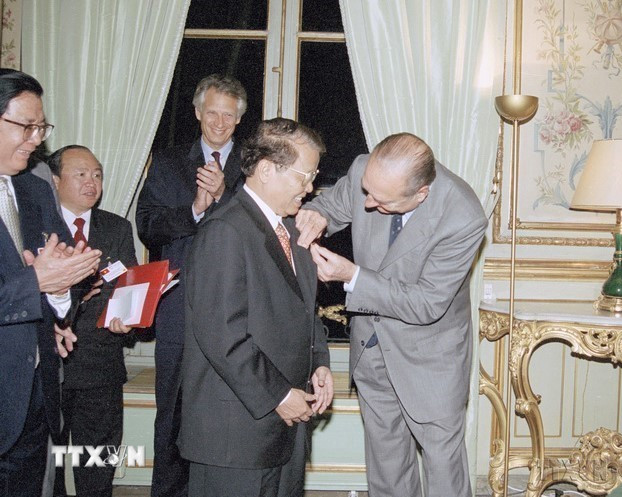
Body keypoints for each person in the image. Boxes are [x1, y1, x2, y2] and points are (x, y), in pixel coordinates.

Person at [296, 132, 488, 497]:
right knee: (387, 470)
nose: (367, 203)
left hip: (430, 358)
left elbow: (426, 303)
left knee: (444, 473)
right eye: (366, 191)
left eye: (380, 200)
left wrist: (351, 276)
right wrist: (316, 217)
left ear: (421, 194)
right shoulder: (364, 172)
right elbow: (331, 207)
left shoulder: (463, 216)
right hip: (372, 349)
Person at [179, 118, 334, 497]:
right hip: (235, 434)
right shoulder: (225, 230)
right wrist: (279, 395)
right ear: (266, 170)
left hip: (285, 429)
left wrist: (319, 362)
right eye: (305, 176)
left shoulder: (293, 231)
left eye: (313, 177)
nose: (310, 188)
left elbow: (304, 309)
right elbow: (222, 335)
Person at [135, 73, 247, 497]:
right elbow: (147, 226)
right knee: (173, 419)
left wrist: (224, 197)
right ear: (197, 113)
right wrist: (196, 209)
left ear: (239, 120)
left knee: (230, 417)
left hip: (238, 312)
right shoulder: (167, 161)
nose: (219, 122)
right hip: (178, 312)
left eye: (228, 115)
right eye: (212, 113)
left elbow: (264, 231)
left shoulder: (255, 166)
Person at [0, 69, 101, 496]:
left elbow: (64, 273)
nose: (36, 139)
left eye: (42, 128)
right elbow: (33, 280)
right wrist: (37, 282)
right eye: (26, 126)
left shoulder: (35, 191)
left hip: (35, 397)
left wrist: (60, 294)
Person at [48, 145, 138, 497]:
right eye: (81, 174)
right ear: (55, 180)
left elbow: (128, 287)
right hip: (50, 366)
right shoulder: (38, 226)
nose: (92, 182)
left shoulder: (116, 227)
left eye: (97, 175)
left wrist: (129, 318)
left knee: (99, 462)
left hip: (101, 366)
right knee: (47, 465)